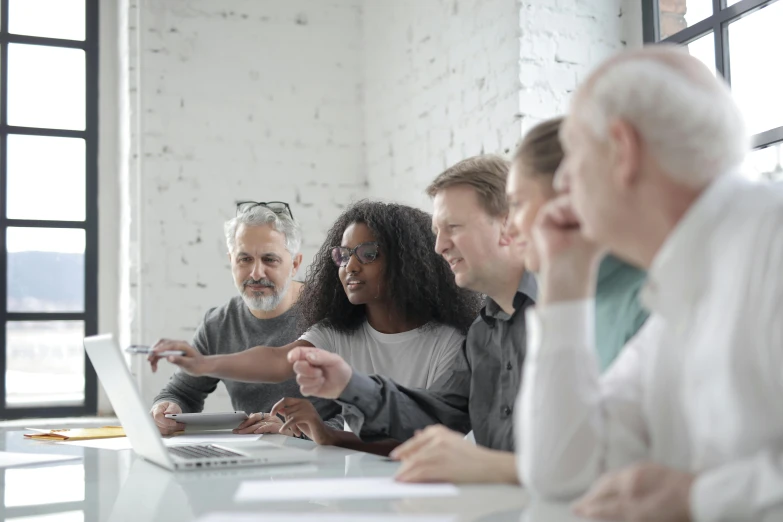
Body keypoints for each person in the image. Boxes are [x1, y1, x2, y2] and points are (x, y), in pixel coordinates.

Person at [516, 46, 783, 522]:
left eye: (574, 151)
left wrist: (699, 499)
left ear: (623, 150)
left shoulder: (772, 243)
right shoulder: (675, 304)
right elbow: (562, 473)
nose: (562, 178)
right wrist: (564, 279)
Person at [281, 155, 537, 484]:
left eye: (453, 228)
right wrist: (349, 384)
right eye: (437, 232)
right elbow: (437, 416)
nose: (440, 246)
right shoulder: (482, 334)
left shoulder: (569, 309)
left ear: (506, 224)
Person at [150, 200, 481, 447]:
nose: (350, 266)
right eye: (343, 256)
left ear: (407, 262)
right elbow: (281, 359)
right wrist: (202, 363)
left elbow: (425, 444)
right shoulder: (339, 331)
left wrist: (322, 433)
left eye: (367, 254)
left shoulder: (450, 343)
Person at [150, 202, 340, 436]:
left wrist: (301, 433)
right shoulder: (219, 324)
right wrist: (167, 409)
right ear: (231, 261)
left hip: (325, 461)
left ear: (295, 264)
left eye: (270, 259)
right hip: (251, 457)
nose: (256, 273)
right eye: (244, 259)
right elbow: (182, 393)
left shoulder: (331, 315)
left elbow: (360, 414)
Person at [505, 116, 648, 371]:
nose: (509, 228)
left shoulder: (645, 306)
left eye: (517, 203)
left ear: (567, 193)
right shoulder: (577, 301)